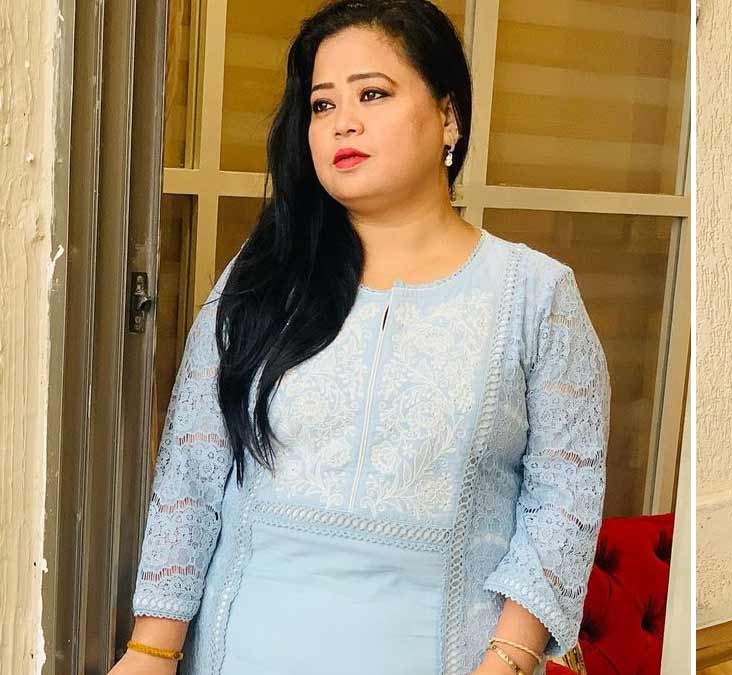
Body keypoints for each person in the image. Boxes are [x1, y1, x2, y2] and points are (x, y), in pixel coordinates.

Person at [106, 1, 611, 674]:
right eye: (322, 105)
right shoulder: (261, 278)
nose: (343, 121)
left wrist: (509, 659)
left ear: (449, 115)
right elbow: (190, 478)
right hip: (240, 651)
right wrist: (150, 650)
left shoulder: (535, 296)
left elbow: (562, 501)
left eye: (372, 93)